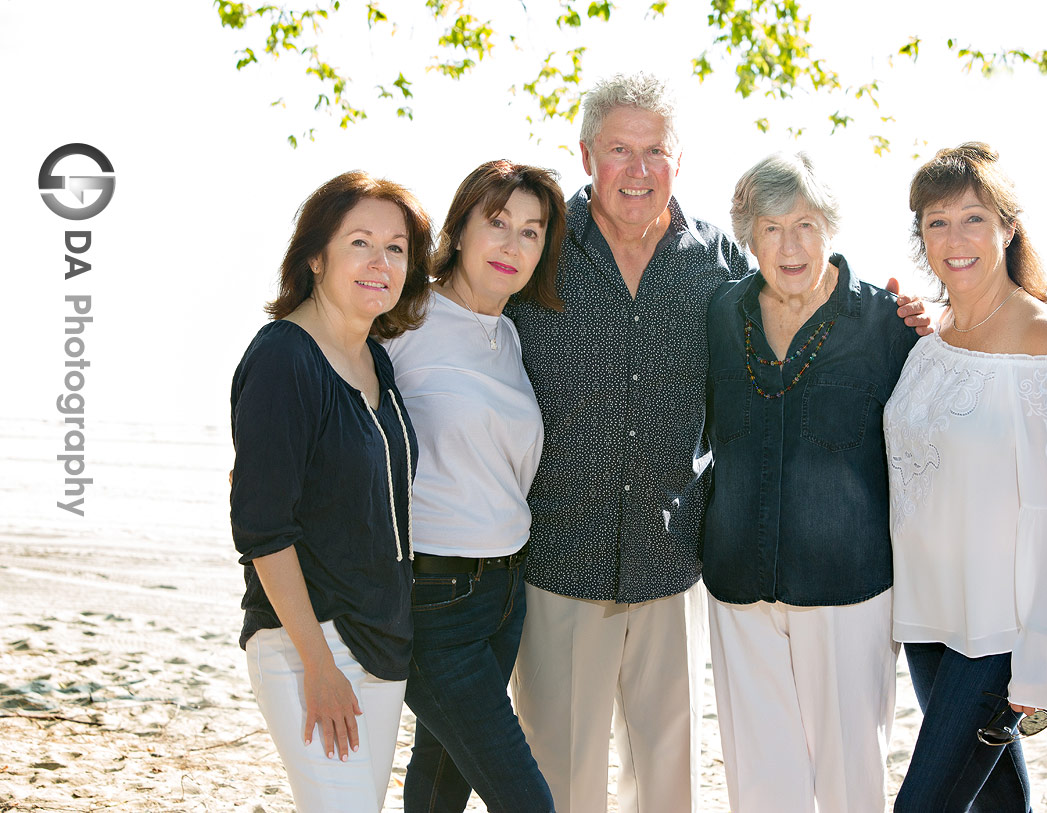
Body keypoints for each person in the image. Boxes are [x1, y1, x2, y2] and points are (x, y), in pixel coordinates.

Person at [507, 73, 930, 813]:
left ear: (679, 160)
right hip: (559, 560)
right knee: (562, 783)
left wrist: (906, 313)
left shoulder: (717, 266)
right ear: (584, 157)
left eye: (655, 151)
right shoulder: (538, 251)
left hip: (671, 567)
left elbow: (801, 291)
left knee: (668, 785)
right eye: (619, 150)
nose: (638, 170)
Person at [884, 142, 1047, 812]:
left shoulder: (1043, 343)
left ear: (1007, 227)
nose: (956, 239)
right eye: (937, 222)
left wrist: (1042, 662)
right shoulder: (932, 333)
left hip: (995, 630)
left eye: (973, 218)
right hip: (927, 616)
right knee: (998, 804)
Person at [701, 151, 919, 812]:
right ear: (749, 236)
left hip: (847, 587)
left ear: (829, 226)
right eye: (770, 228)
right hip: (739, 582)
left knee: (853, 779)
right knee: (763, 784)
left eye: (804, 224)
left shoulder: (886, 322)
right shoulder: (721, 313)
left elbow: (932, 445)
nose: (790, 245)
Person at [230, 171, 431, 812]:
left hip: (381, 641)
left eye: (396, 248)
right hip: (308, 644)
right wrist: (319, 665)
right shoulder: (284, 359)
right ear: (316, 256)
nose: (381, 262)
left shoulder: (378, 360)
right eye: (360, 243)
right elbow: (263, 529)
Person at [382, 159, 565, 813]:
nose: (512, 244)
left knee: (439, 780)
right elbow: (323, 389)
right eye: (497, 223)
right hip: (433, 597)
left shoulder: (510, 335)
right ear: (460, 229)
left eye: (531, 231)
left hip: (505, 592)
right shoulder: (405, 316)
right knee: (527, 800)